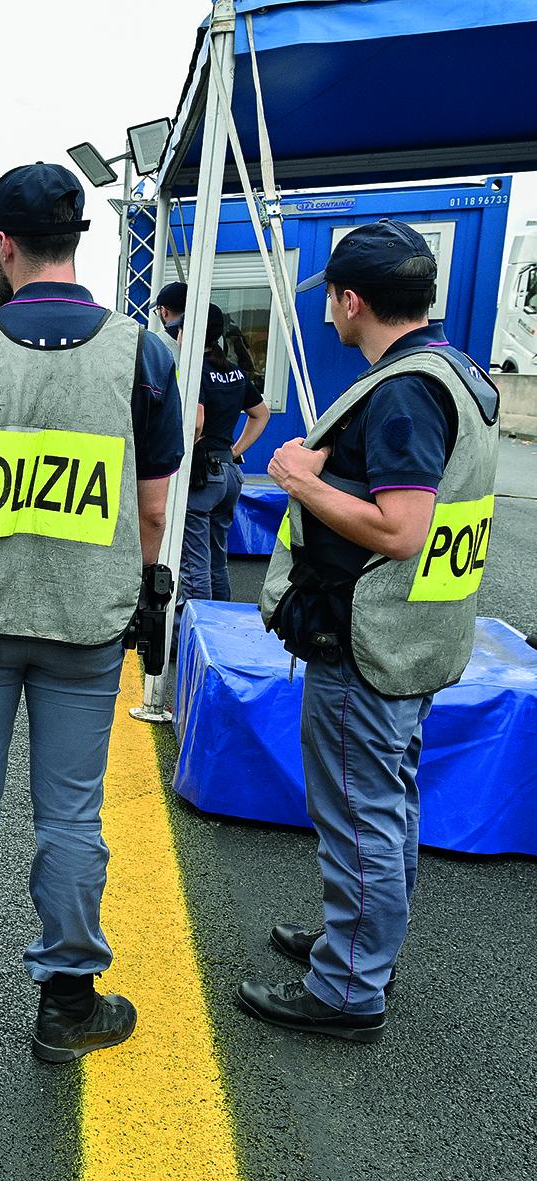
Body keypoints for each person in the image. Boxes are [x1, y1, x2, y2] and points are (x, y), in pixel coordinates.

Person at [0, 162, 184, 1063]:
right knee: (72, 816)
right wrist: (131, 588)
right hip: (85, 625)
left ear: (3, 246)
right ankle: (67, 1003)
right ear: (75, 240)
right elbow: (155, 509)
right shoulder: (142, 353)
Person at [245, 220, 500, 1042]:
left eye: (331, 298)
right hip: (421, 636)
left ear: (351, 301)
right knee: (386, 804)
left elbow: (401, 529)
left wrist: (298, 479)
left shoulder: (402, 393)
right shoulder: (457, 373)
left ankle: (348, 986)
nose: (329, 312)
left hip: (371, 643)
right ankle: (361, 945)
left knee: (359, 815)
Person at [182, 304, 271, 601]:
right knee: (216, 562)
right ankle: (221, 621)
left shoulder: (195, 371)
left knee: (194, 564)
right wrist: (234, 452)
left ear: (189, 333)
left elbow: (196, 421)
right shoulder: (234, 372)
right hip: (229, 473)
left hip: (202, 476)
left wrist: (185, 450)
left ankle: (192, 624)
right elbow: (261, 414)